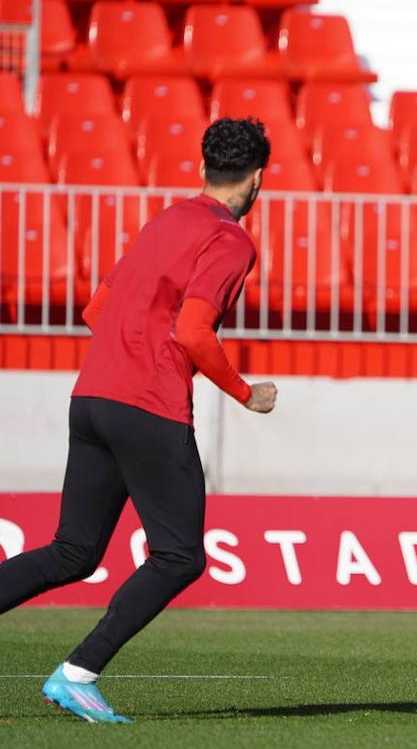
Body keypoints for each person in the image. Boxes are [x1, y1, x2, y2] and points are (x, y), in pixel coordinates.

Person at [0, 118, 278, 723]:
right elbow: (193, 332)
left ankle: (77, 675)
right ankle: (77, 674)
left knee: (73, 551)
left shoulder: (165, 220)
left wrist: (130, 354)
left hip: (92, 398)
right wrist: (244, 393)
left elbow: (96, 309)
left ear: (203, 168)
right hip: (148, 407)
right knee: (179, 557)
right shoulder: (230, 239)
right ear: (258, 178)